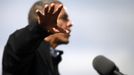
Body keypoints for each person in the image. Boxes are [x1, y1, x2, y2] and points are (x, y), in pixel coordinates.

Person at [2, 0, 72, 75]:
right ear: (43, 19)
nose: (70, 23)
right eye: (64, 18)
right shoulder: (25, 50)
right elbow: (18, 47)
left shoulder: (52, 58)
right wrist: (40, 28)